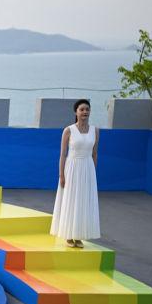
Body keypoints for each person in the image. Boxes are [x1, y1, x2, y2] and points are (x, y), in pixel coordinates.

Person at [50, 99, 100, 248]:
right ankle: (69, 235)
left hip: (88, 168)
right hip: (72, 168)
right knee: (71, 200)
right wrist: (61, 175)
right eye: (82, 109)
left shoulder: (95, 130)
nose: (85, 112)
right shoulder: (69, 130)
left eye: (87, 109)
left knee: (83, 201)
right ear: (76, 112)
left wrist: (93, 173)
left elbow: (94, 153)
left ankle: (78, 236)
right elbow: (62, 154)